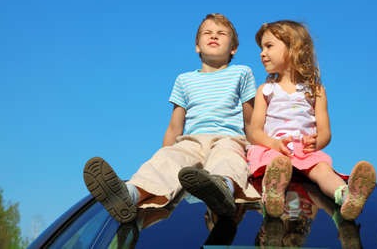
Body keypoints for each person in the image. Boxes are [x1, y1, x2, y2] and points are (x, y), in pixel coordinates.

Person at [83, 13, 259, 224]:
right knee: (168, 161)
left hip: (228, 137)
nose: (214, 36)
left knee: (227, 158)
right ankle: (129, 194)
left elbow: (251, 121)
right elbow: (175, 126)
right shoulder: (184, 80)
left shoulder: (242, 73)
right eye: (207, 33)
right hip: (191, 141)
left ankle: (222, 189)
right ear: (197, 46)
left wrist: (257, 151)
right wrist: (164, 153)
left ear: (233, 49)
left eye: (221, 33)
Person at [247, 20, 376, 220]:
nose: (262, 53)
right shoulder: (265, 90)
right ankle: (273, 196)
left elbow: (325, 132)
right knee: (276, 166)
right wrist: (273, 143)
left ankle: (347, 196)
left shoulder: (315, 91)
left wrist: (316, 142)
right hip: (274, 149)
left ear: (293, 48)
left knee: (323, 170)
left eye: (269, 46)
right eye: (261, 48)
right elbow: (254, 132)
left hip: (304, 151)